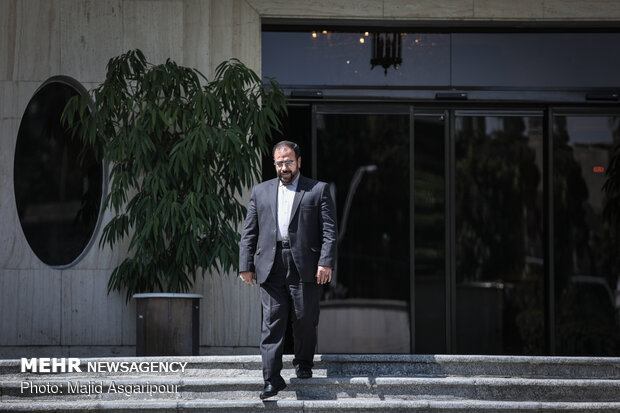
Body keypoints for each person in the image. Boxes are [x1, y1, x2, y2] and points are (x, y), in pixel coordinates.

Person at [239, 140, 337, 399]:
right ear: (274, 163)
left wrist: (325, 262)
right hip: (270, 265)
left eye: (288, 162)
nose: (284, 167)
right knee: (272, 323)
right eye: (279, 163)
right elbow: (249, 231)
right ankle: (271, 379)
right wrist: (245, 265)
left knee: (304, 318)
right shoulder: (261, 191)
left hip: (304, 264)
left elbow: (329, 231)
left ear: (299, 162)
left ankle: (304, 363)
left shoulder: (317, 190)